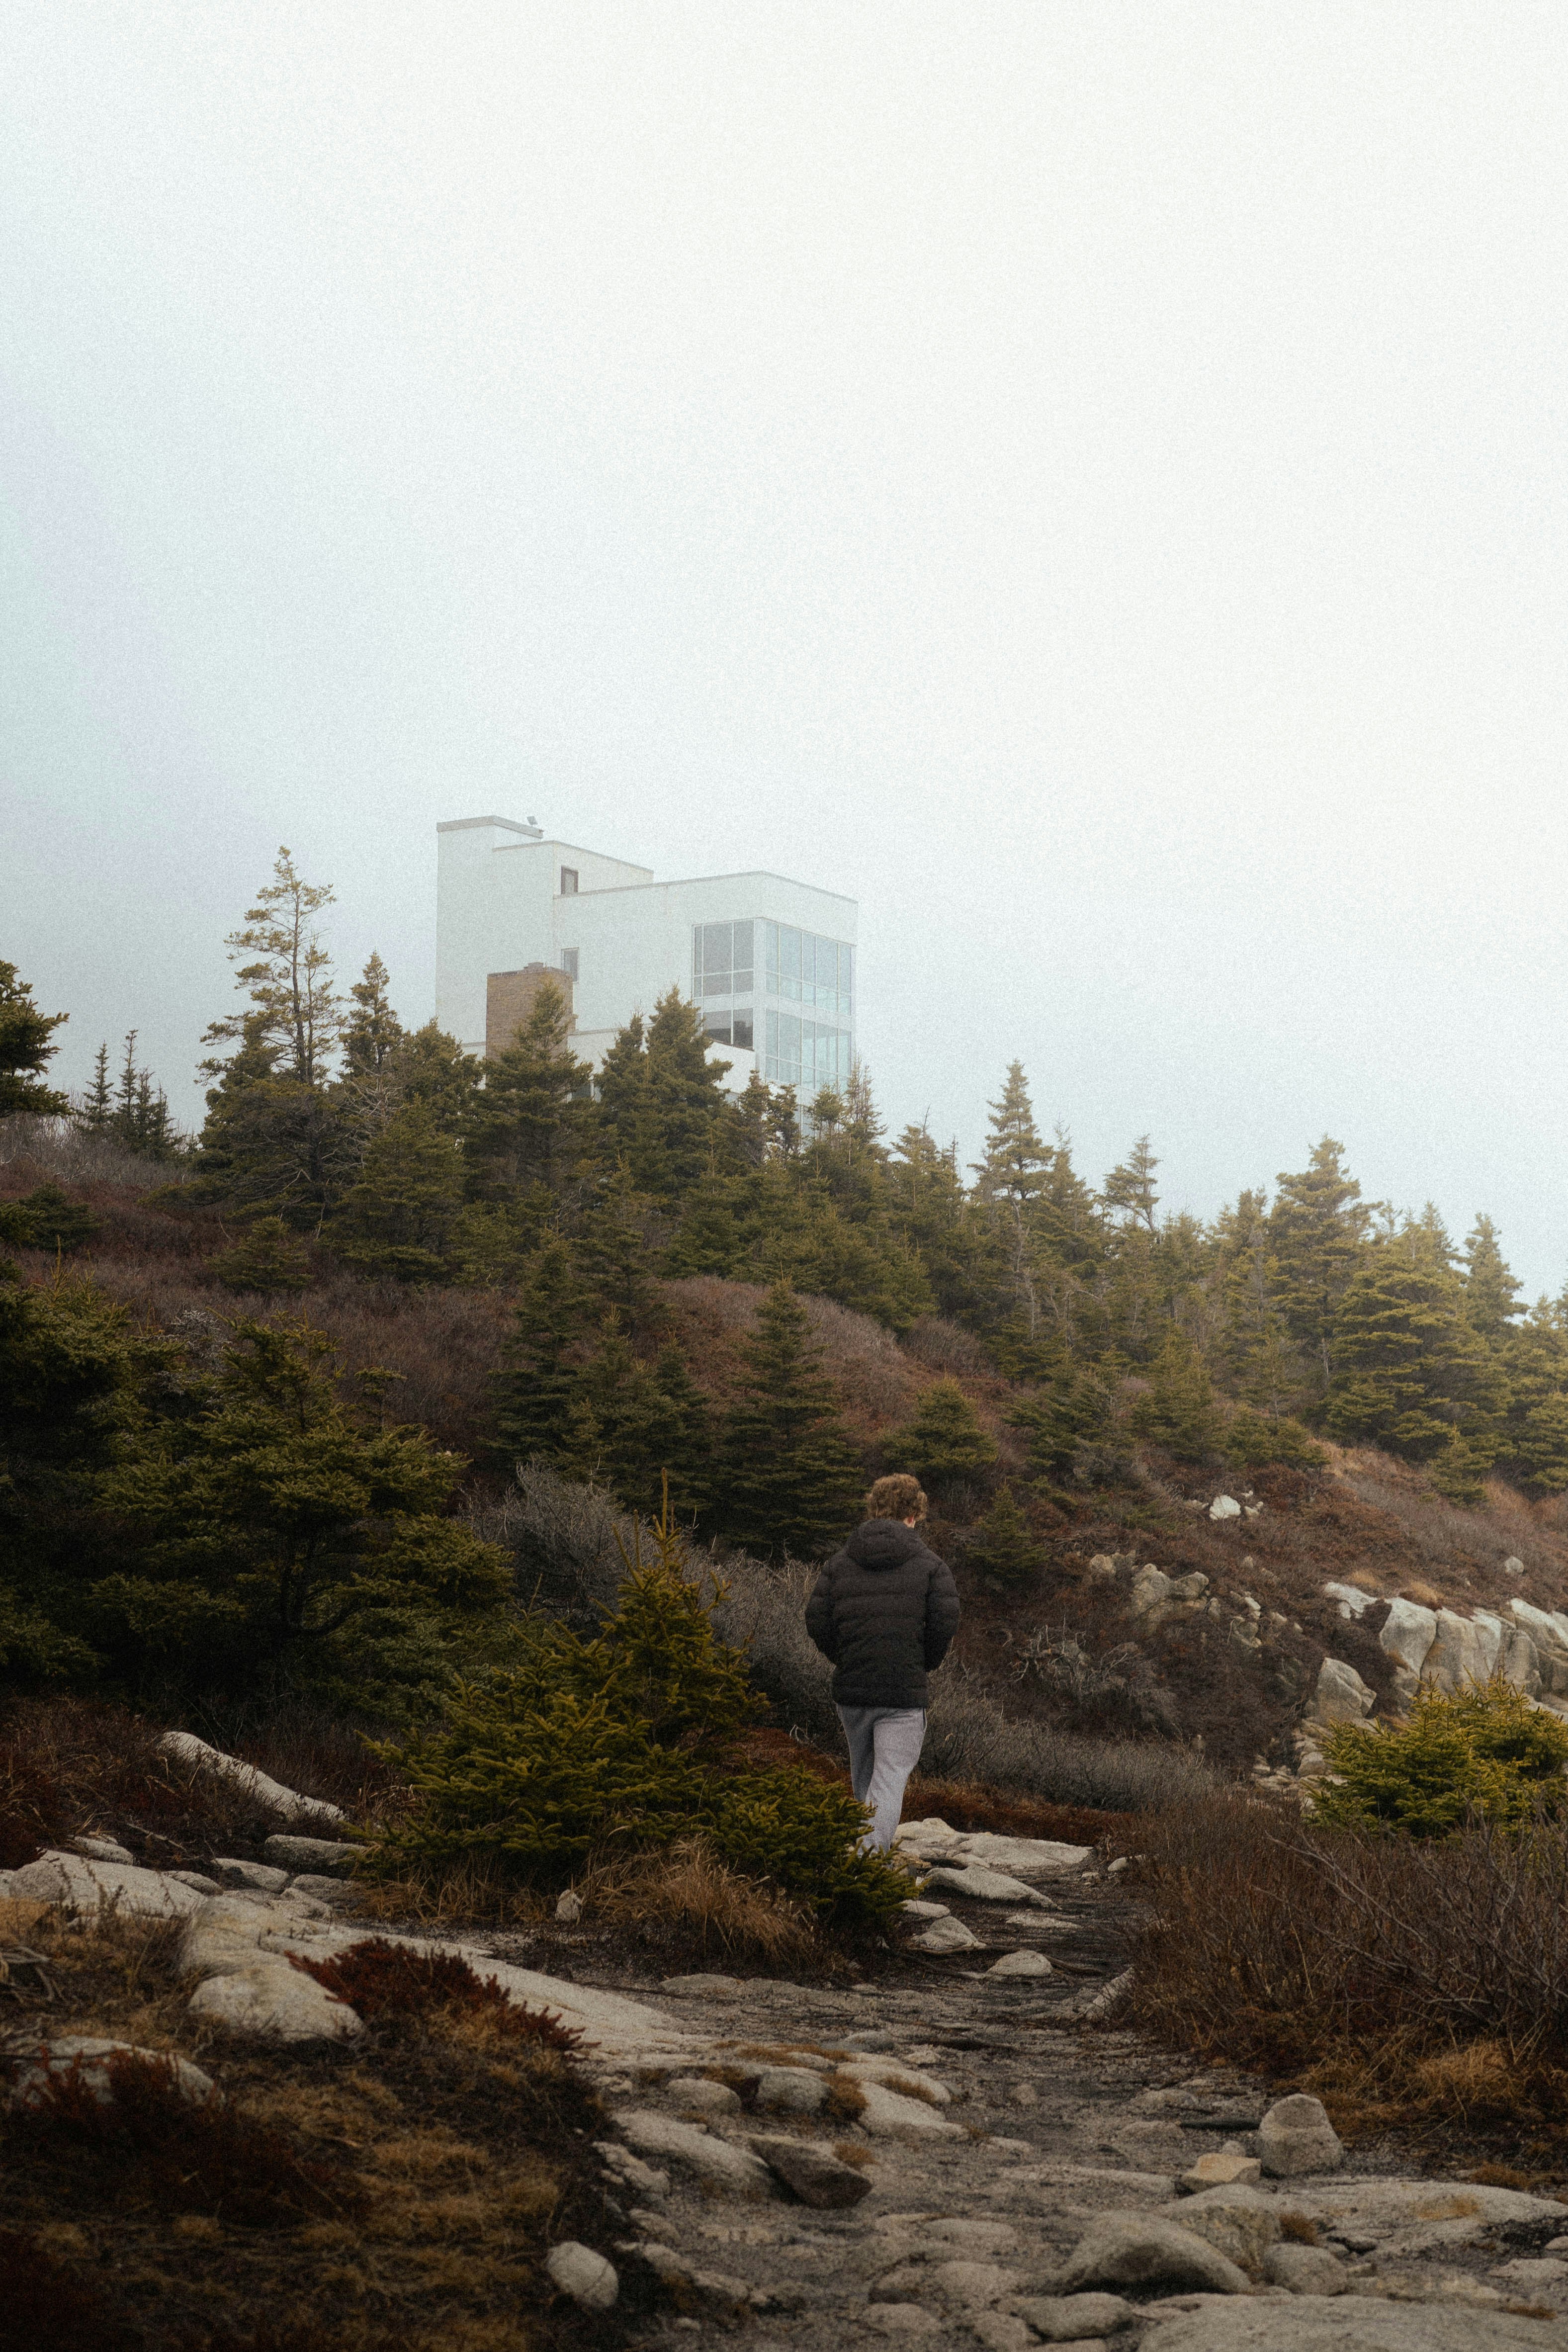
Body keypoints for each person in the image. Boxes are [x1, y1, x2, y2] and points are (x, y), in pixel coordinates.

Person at [805, 1473, 960, 1852]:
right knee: (889, 1779)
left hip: (853, 1691)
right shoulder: (931, 1565)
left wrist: (845, 1658)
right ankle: (866, 1866)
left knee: (866, 1778)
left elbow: (816, 1618)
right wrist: (924, 1663)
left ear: (875, 1509)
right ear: (912, 1514)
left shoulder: (840, 1562)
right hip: (903, 1695)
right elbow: (946, 1619)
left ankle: (865, 1859)